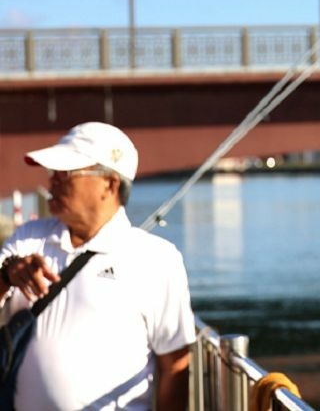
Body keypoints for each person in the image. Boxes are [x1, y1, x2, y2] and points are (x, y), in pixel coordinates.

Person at [0, 122, 196, 410]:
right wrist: (7, 275)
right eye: (54, 173)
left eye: (66, 174)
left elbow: (175, 366)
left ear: (110, 184)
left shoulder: (156, 259)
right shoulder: (28, 238)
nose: (52, 181)